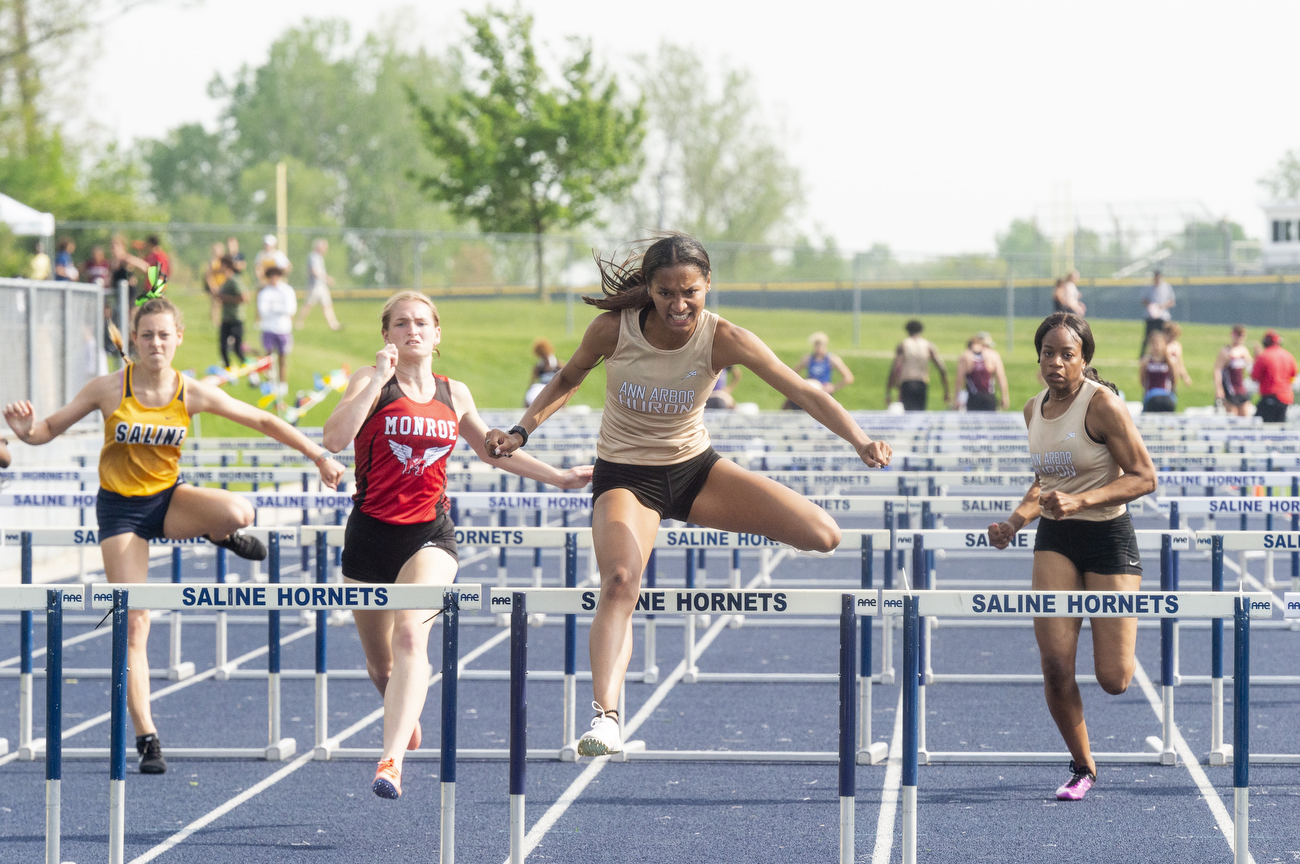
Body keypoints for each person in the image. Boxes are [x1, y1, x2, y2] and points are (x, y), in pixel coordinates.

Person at [484, 233, 893, 758]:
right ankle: (606, 717)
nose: (679, 305)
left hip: (696, 473)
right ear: (649, 291)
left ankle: (686, 519)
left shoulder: (725, 338)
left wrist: (859, 440)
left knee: (824, 535)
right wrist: (520, 433)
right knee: (620, 581)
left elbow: (804, 390)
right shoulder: (614, 329)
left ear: (706, 288)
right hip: (627, 480)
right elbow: (568, 377)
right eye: (666, 293)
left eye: (690, 293)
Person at [2, 286, 344, 775]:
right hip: (121, 513)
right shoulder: (106, 388)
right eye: (147, 335)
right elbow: (45, 432)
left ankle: (217, 532)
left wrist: (318, 456)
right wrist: (25, 428)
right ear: (135, 341)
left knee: (240, 512)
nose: (156, 343)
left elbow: (264, 419)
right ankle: (147, 735)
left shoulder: (192, 391)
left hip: (168, 500)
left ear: (179, 338)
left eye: (164, 335)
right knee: (135, 622)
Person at [322, 291, 591, 799]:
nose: (412, 331)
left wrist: (557, 477)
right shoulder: (369, 380)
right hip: (370, 536)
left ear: (437, 334)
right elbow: (334, 439)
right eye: (401, 323)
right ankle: (404, 714)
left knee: (410, 638)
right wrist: (378, 377)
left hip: (429, 535)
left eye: (421, 322)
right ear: (387, 335)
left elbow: (492, 451)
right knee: (382, 665)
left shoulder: (454, 392)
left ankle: (391, 761)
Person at [987, 311, 1157, 801]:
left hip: (1108, 538)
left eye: (1067, 354)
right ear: (1038, 356)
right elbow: (1046, 481)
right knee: (1056, 665)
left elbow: (1144, 477)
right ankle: (1082, 766)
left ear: (1084, 358)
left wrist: (1082, 500)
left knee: (1114, 679)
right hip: (1056, 540)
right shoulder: (1031, 409)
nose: (1056, 363)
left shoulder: (1102, 405)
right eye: (1048, 353)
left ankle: (1115, 648)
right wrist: (1015, 522)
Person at [887, 320, 949, 411]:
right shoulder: (928, 345)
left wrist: (888, 391)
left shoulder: (903, 345)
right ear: (921, 331)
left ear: (907, 331)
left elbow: (895, 368)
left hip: (907, 382)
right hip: (922, 382)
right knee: (920, 413)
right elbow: (942, 368)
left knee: (908, 413)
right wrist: (946, 390)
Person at [784, 332, 853, 409]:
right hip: (810, 390)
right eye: (816, 344)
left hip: (823, 391)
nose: (819, 347)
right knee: (790, 399)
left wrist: (833, 387)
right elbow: (792, 373)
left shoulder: (832, 359)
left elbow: (848, 378)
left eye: (821, 344)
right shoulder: (808, 359)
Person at [258, 265, 296, 388]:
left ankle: (282, 383)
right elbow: (263, 311)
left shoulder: (287, 290)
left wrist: (273, 308)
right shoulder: (264, 292)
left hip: (283, 329)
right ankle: (269, 382)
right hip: (268, 328)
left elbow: (290, 309)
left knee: (282, 358)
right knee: (267, 358)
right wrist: (278, 310)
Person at [954, 331, 1010, 411]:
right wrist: (1004, 397)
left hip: (972, 397)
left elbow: (959, 379)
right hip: (989, 397)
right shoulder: (994, 355)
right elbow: (1001, 378)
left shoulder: (966, 355)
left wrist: (957, 398)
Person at [1251, 329, 1297, 423]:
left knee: (1261, 426)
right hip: (1286, 399)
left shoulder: (1264, 356)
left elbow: (1255, 376)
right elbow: (1293, 375)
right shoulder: (1288, 356)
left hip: (1270, 397)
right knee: (1279, 427)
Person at [295, 239, 341, 331]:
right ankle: (298, 322)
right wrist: (327, 279)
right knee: (308, 305)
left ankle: (333, 324)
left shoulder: (320, 258)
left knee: (327, 305)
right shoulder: (312, 257)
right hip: (315, 285)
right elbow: (314, 271)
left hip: (322, 285)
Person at [217, 256, 249, 370]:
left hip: (236, 319)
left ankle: (247, 368)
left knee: (237, 348)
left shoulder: (235, 280)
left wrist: (225, 298)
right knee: (223, 348)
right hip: (226, 319)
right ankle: (228, 369)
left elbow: (244, 298)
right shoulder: (225, 281)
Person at [1213, 325, 1253, 416]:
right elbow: (1217, 370)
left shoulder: (1244, 350)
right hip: (1230, 390)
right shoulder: (1225, 351)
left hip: (1241, 389)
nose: (1239, 339)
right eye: (1237, 335)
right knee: (1233, 417)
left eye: (1241, 336)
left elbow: (1251, 367)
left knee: (1246, 415)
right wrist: (1219, 388)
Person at [1139, 330, 1177, 413]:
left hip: (1165, 394)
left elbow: (1174, 379)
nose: (1156, 346)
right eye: (1153, 344)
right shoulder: (1146, 361)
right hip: (1151, 395)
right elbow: (1142, 379)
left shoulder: (1168, 361)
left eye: (1158, 343)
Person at [1139, 271, 1175, 357]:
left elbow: (1172, 301)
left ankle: (1165, 353)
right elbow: (1143, 300)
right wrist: (1152, 306)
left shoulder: (1167, 287)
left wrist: (1161, 306)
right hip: (1151, 316)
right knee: (1148, 336)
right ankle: (1143, 355)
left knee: (1164, 336)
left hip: (1163, 316)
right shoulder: (1149, 287)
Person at [525, 338, 563, 407]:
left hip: (554, 390)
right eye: (541, 355)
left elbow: (564, 383)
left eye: (545, 354)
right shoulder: (538, 367)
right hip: (542, 390)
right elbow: (531, 383)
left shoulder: (558, 365)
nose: (544, 357)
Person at [203, 242, 228, 327]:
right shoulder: (212, 262)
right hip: (215, 285)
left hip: (223, 285)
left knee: (223, 305)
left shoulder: (224, 262)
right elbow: (208, 276)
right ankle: (215, 322)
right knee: (215, 304)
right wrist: (212, 286)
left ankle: (222, 321)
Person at [1161, 322, 1192, 388]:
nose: (1172, 338)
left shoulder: (1177, 346)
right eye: (1171, 335)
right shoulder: (1160, 346)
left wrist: (1185, 377)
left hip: (1173, 376)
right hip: (1162, 375)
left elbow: (1180, 364)